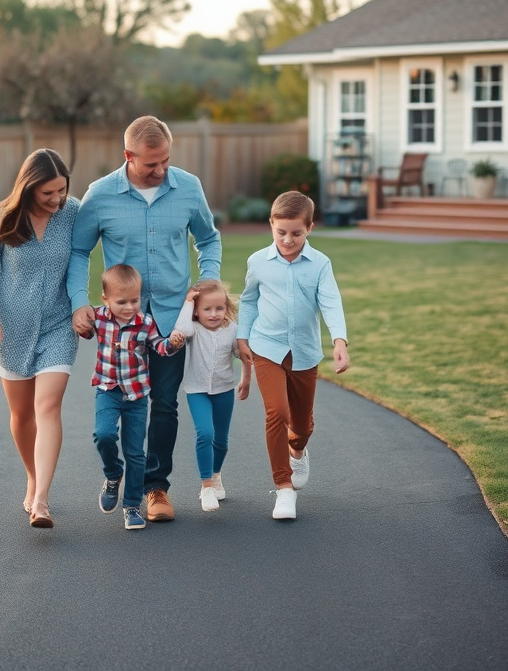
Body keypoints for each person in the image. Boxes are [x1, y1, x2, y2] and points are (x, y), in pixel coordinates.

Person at [68, 115, 221, 523]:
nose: (161, 170)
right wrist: (79, 302)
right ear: (128, 156)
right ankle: (117, 474)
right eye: (151, 164)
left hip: (173, 321)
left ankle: (156, 488)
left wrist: (208, 279)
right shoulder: (100, 195)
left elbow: (208, 238)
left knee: (165, 404)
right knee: (120, 409)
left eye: (166, 161)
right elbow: (79, 251)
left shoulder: (188, 187)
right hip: (121, 327)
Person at [0, 148, 79, 529]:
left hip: (58, 326)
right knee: (21, 415)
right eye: (48, 193)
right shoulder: (2, 218)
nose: (57, 200)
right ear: (29, 187)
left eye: (61, 191)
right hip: (10, 328)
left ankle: (43, 500)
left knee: (48, 406)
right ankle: (32, 477)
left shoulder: (72, 213)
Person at [236, 191, 350, 521]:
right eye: (281, 232)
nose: (288, 240)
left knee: (301, 425)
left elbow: (331, 302)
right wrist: (243, 336)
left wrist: (339, 341)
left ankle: (297, 450)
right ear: (271, 225)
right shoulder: (258, 261)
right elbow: (248, 300)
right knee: (276, 412)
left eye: (296, 233)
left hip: (304, 351)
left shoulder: (320, 264)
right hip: (266, 347)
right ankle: (283, 488)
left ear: (310, 228)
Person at [89, 265, 185, 530]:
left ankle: (131, 505)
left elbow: (159, 347)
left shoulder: (145, 322)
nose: (130, 307)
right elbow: (83, 329)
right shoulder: (99, 318)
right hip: (107, 391)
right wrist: (80, 323)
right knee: (104, 435)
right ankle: (112, 474)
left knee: (135, 453)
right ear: (105, 298)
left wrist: (174, 343)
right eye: (122, 302)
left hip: (136, 397)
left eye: (135, 300)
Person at [173, 280, 251, 512]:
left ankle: (216, 475)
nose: (214, 314)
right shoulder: (193, 329)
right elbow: (182, 329)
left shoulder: (232, 330)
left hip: (224, 390)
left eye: (219, 308)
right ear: (197, 310)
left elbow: (244, 355)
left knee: (221, 440)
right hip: (197, 390)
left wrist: (245, 380)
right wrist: (188, 302)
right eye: (207, 309)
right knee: (205, 433)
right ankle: (206, 485)